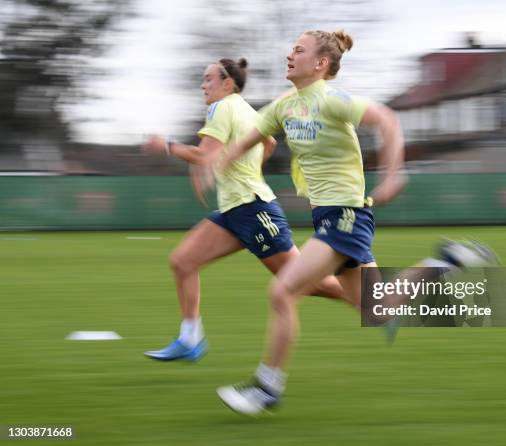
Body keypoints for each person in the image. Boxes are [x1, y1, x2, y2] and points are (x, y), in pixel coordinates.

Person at [213, 30, 409, 415]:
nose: (290, 55)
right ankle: (446, 263)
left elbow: (387, 121)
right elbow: (250, 137)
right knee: (376, 309)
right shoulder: (286, 105)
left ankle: (268, 387)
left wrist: (394, 174)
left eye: (298, 51)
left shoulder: (332, 100)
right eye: (291, 49)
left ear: (320, 64)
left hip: (347, 215)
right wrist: (220, 159)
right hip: (330, 218)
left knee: (282, 292)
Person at [141, 57, 351, 362]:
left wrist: (167, 146)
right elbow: (268, 144)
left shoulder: (222, 107)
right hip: (234, 211)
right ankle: (190, 339)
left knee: (311, 284)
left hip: (254, 212)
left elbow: (204, 155)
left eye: (208, 79)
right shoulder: (246, 110)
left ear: (228, 83)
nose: (203, 85)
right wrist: (239, 167)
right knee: (183, 262)